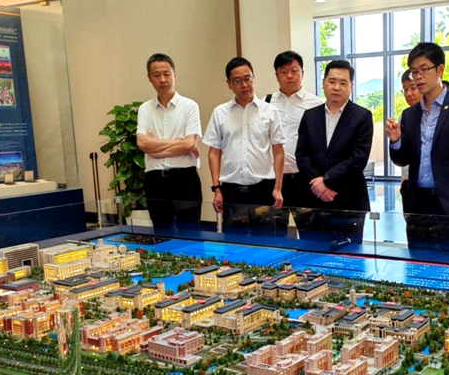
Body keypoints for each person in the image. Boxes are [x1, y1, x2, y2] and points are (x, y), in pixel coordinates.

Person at [387, 42, 449, 253]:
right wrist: (396, 141)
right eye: (414, 72)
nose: (419, 77)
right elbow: (402, 159)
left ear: (439, 69)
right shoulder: (410, 114)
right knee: (417, 262)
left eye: (424, 69)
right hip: (417, 204)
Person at [203, 57, 285, 235]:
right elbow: (214, 152)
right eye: (237, 81)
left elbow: (278, 152)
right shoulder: (220, 113)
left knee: (265, 242)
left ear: (254, 78)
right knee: (234, 243)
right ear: (229, 84)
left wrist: (277, 188)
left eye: (248, 79)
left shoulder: (269, 111)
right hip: (231, 190)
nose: (244, 85)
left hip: (263, 189)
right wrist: (216, 189)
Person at [295, 60, 373, 246]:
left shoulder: (362, 116)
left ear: (351, 86)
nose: (336, 87)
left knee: (349, 256)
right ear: (323, 84)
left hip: (349, 200)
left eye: (343, 82)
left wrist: (326, 181)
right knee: (311, 252)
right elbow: (302, 154)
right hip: (313, 200)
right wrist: (318, 185)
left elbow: (358, 158)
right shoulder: (309, 115)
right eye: (332, 81)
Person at [136, 53, 202, 233]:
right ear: (149, 78)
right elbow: (142, 142)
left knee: (190, 234)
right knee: (161, 233)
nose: (162, 79)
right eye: (156, 75)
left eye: (166, 74)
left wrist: (155, 150)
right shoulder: (145, 109)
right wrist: (177, 142)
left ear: (175, 74)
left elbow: (189, 144)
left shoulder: (190, 106)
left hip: (185, 180)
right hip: (155, 181)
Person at [265, 51, 323, 237]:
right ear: (276, 75)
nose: (289, 76)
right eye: (284, 72)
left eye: (294, 71)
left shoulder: (317, 104)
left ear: (302, 73)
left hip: (304, 180)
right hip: (273, 181)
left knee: (310, 234)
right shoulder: (265, 103)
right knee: (275, 235)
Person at [387, 70, 421, 213]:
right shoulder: (405, 115)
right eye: (405, 89)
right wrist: (395, 140)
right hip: (410, 184)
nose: (409, 94)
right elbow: (402, 155)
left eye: (413, 88)